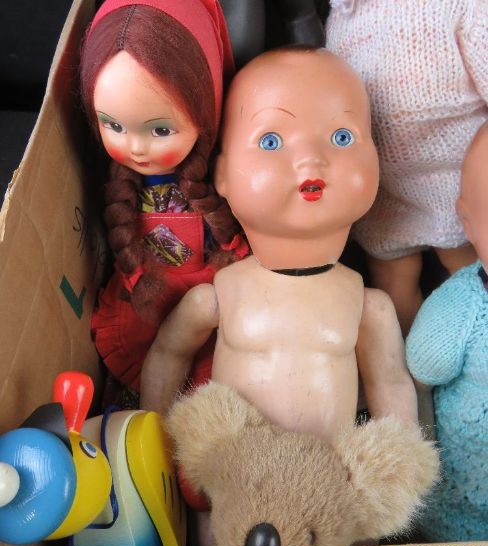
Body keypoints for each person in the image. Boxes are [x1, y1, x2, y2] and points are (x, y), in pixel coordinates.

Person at [141, 47, 418, 441]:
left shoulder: (367, 306)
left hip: (326, 473)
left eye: (342, 137)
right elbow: (169, 354)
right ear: (223, 174)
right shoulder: (221, 295)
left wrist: (401, 466)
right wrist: (154, 447)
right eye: (271, 141)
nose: (311, 160)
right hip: (232, 470)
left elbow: (389, 384)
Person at [80, 0, 245, 403]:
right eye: (113, 125)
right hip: (146, 299)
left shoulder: (222, 171)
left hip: (211, 292)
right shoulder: (120, 184)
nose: (135, 148)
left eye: (160, 130)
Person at [326, 0, 487, 334]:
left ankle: (472, 352)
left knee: (469, 280)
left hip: (456, 176)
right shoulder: (346, 12)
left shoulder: (463, 7)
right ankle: (409, 361)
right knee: (392, 288)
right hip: (381, 183)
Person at [406, 122, 488, 542]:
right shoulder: (460, 310)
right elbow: (419, 382)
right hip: (463, 514)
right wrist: (425, 462)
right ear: (468, 224)